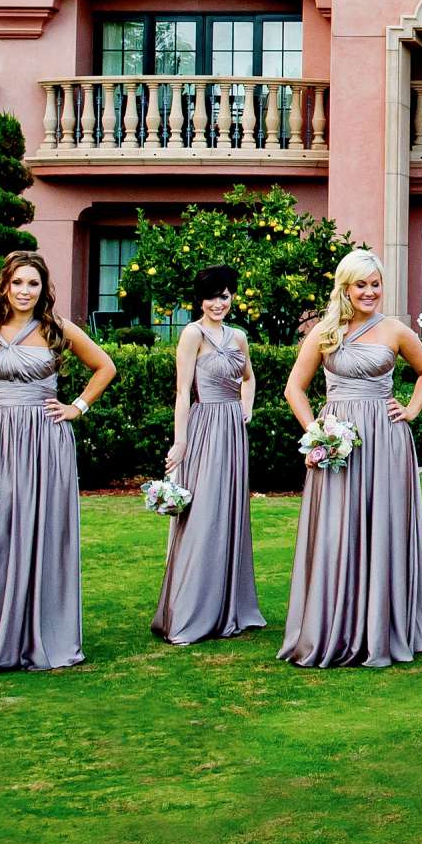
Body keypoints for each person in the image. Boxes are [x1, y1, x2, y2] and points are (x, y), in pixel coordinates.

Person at [0, 251, 116, 673]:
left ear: (43, 288)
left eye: (33, 284)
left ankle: (42, 632)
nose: (24, 291)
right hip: (0, 440)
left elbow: (105, 367)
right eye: (18, 283)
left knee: (45, 528)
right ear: (5, 286)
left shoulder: (57, 329)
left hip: (47, 441)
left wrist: (78, 407)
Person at [279, 249, 422, 668]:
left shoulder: (396, 330)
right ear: (345, 287)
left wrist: (412, 409)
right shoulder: (325, 332)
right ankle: (335, 622)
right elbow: (294, 388)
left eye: (375, 284)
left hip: (387, 441)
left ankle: (381, 627)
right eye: (361, 284)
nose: (369, 292)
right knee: (336, 528)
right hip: (338, 441)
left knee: (382, 525)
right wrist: (315, 430)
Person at [152, 264, 267, 645]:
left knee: (229, 513)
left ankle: (230, 606)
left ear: (232, 296)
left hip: (233, 431)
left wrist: (245, 407)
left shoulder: (239, 337)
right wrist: (180, 441)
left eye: (224, 295)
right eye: (210, 296)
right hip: (203, 429)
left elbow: (248, 377)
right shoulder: (192, 333)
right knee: (201, 515)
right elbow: (182, 392)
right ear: (198, 300)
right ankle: (189, 611)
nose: (218, 303)